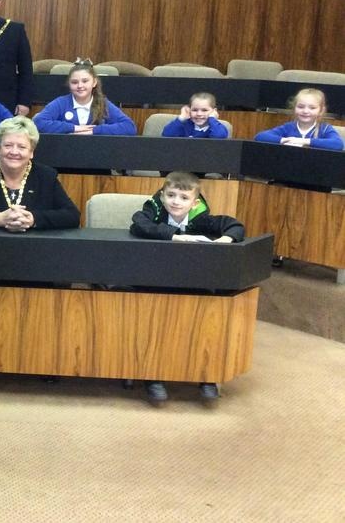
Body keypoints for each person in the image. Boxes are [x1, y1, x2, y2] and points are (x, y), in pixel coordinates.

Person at [129, 171, 245, 405]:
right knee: (157, 321)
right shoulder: (154, 211)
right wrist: (173, 236)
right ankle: (153, 375)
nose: (176, 202)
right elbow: (138, 224)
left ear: (194, 203)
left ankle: (206, 375)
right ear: (162, 196)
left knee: (207, 315)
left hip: (191, 282)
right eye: (171, 195)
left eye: (183, 198)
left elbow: (234, 225)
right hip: (155, 281)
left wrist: (227, 239)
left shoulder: (200, 218)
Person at [33, 59, 136, 136]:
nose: (80, 86)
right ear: (69, 84)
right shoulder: (61, 103)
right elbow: (38, 123)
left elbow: (129, 127)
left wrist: (94, 131)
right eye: (74, 82)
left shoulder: (103, 104)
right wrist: (74, 128)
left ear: (94, 82)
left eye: (85, 81)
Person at [253, 88, 343, 151]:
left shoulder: (325, 129)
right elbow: (260, 137)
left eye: (312, 108)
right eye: (300, 107)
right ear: (294, 108)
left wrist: (304, 141)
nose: (305, 111)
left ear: (321, 110)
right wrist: (284, 140)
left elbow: (338, 144)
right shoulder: (288, 127)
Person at [161, 92, 228, 138]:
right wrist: (181, 118)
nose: (199, 114)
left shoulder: (217, 127)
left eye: (204, 110)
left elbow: (219, 137)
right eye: (195, 110)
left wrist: (212, 119)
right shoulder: (184, 125)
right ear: (189, 110)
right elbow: (166, 135)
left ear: (214, 111)